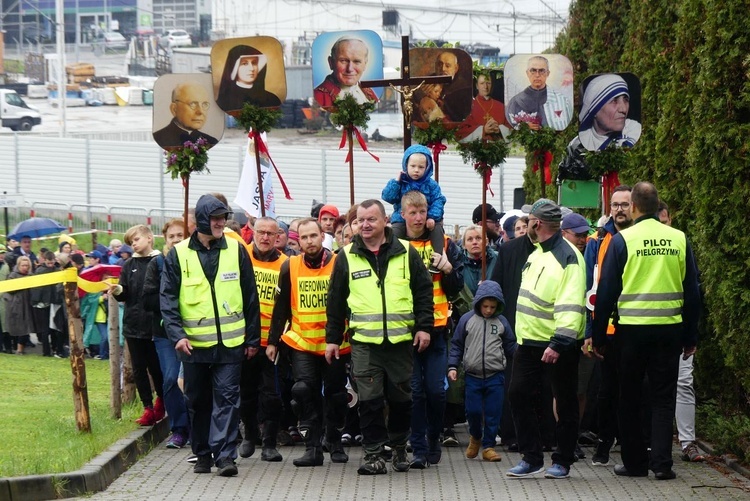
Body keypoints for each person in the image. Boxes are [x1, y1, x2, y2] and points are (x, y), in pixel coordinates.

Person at [592, 182, 700, 480]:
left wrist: (599, 337)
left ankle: (636, 464)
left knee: (629, 397)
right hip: (669, 332)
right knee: (663, 399)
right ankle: (663, 464)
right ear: (658, 206)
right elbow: (692, 292)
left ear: (635, 207)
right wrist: (691, 337)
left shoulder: (623, 240)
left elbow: (606, 292)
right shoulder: (679, 239)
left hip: (631, 333)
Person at [325, 199, 434, 475]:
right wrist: (333, 339)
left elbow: (423, 292)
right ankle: (373, 454)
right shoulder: (346, 256)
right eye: (360, 220)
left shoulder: (406, 252)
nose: (364, 225)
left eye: (371, 219)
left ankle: (398, 448)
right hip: (365, 344)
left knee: (401, 402)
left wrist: (424, 327)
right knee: (370, 401)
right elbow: (335, 301)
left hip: (400, 344)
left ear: (385, 221)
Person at [161, 194, 261, 477]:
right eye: (216, 218)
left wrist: (252, 338)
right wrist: (177, 335)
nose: (221, 223)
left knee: (228, 399)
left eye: (223, 218)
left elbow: (249, 296)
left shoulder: (236, 250)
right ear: (203, 219)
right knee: (198, 400)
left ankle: (225, 456)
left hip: (231, 344)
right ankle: (202, 453)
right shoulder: (178, 254)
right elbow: (167, 299)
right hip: (193, 345)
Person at [506, 199, 586, 479]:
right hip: (528, 342)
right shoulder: (537, 253)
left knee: (564, 403)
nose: (527, 225)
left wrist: (559, 343)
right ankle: (532, 457)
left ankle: (562, 460)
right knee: (518, 395)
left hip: (557, 344)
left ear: (537, 224)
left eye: (529, 221)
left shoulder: (569, 257)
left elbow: (571, 304)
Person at [267, 218, 350, 467]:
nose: (309, 241)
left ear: (322, 236)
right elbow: (280, 309)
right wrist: (272, 341)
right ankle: (312, 447)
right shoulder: (290, 266)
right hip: (302, 342)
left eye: (313, 236)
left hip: (334, 343)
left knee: (336, 395)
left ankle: (334, 440)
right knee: (304, 392)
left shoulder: (339, 263)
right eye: (304, 237)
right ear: (298, 240)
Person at [400, 191, 464, 469]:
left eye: (422, 212)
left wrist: (449, 269)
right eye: (412, 212)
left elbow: (457, 286)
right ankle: (418, 446)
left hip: (438, 330)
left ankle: (434, 437)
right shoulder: (396, 244)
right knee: (415, 392)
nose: (417, 217)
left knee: (436, 392)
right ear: (402, 215)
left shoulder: (445, 243)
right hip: (407, 330)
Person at [584, 186, 632, 466]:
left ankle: (632, 442)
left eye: (624, 204)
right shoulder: (597, 240)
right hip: (608, 329)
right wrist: (591, 332)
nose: (619, 209)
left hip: (634, 326)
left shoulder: (636, 237)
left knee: (634, 389)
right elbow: (591, 291)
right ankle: (604, 442)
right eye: (615, 205)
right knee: (606, 390)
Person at [656, 201, 704, 463]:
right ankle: (653, 444)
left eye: (665, 222)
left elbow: (692, 290)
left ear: (670, 220)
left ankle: (688, 442)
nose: (663, 227)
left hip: (678, 328)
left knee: (683, 383)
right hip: (650, 330)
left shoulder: (680, 243)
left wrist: (690, 334)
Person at [448, 280, 517, 462]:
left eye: (492, 307)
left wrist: (520, 357)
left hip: (496, 375)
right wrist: (453, 366)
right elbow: (457, 345)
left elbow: (510, 345)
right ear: (479, 303)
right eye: (485, 306)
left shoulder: (502, 322)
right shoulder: (467, 320)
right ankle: (475, 436)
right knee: (473, 411)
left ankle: (488, 446)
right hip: (473, 375)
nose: (488, 310)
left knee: (494, 412)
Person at [240, 216, 288, 462]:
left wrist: (275, 340)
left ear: (278, 235)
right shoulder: (241, 256)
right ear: (253, 232)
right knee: (246, 393)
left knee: (271, 395)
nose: (266, 237)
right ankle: (249, 435)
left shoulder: (285, 264)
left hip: (273, 341)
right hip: (245, 338)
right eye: (261, 232)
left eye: (271, 233)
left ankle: (269, 442)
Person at [143, 218, 190, 449]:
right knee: (171, 379)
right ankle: (179, 429)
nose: (175, 240)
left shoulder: (194, 260)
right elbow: (147, 298)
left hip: (194, 330)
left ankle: (198, 426)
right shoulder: (158, 264)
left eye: (179, 235)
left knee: (193, 381)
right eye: (171, 236)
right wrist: (169, 298)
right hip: (164, 334)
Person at [111, 225, 165, 426]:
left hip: (153, 325)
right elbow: (125, 294)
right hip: (132, 325)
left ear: (150, 238)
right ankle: (147, 407)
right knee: (138, 369)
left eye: (136, 239)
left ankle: (162, 399)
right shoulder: (128, 265)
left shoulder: (160, 261)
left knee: (157, 367)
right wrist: (117, 290)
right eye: (130, 241)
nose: (133, 244)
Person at [382, 144, 447, 272]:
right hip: (402, 217)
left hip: (427, 216)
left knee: (437, 229)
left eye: (421, 167)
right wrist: (396, 182)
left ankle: (437, 258)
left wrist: (432, 217)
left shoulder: (431, 184)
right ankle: (393, 258)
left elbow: (439, 200)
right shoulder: (401, 182)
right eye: (413, 166)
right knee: (395, 232)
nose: (416, 170)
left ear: (427, 168)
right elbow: (388, 197)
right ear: (406, 165)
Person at [506, 56, 573, 131]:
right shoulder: (515, 102)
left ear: (548, 73)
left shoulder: (562, 101)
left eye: (542, 71)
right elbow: (510, 129)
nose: (537, 75)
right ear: (527, 73)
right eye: (533, 70)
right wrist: (524, 127)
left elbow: (569, 127)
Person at [578, 73, 642, 151]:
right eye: (614, 101)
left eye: (625, 100)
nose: (624, 109)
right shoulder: (580, 144)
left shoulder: (633, 130)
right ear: (594, 110)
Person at [314, 37, 378, 108]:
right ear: (331, 62)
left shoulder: (369, 93)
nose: (350, 69)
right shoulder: (318, 96)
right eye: (343, 61)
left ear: (365, 64)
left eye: (357, 61)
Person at [153, 82, 219, 148]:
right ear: (174, 109)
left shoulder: (211, 141)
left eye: (205, 104)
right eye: (192, 104)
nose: (200, 112)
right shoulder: (158, 139)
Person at [216, 45, 282, 112]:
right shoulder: (224, 101)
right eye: (244, 63)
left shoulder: (272, 100)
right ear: (234, 67)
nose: (251, 68)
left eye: (254, 63)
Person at [457, 72, 512, 142]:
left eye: (488, 83)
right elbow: (461, 132)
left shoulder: (501, 106)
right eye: (482, 83)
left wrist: (500, 129)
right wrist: (483, 130)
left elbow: (511, 129)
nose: (485, 87)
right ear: (477, 86)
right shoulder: (468, 107)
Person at [30, 251, 57, 357]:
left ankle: (54, 349)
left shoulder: (56, 270)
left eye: (52, 262)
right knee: (45, 329)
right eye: (49, 262)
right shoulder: (40, 271)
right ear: (44, 260)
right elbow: (36, 289)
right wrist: (36, 302)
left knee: (54, 327)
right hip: (42, 304)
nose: (51, 265)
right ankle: (46, 351)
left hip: (53, 302)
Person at [5, 256, 34, 355]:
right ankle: (18, 349)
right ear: (18, 265)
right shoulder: (13, 275)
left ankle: (20, 348)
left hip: (28, 304)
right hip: (16, 304)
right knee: (18, 327)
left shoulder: (31, 276)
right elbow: (9, 289)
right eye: (23, 265)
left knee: (26, 327)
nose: (25, 267)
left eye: (26, 265)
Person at [433, 51, 472, 122]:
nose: (443, 69)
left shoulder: (464, 88)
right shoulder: (428, 81)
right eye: (439, 65)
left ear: (456, 68)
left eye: (447, 66)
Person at [461, 224, 498, 295]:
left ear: (486, 241)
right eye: (470, 239)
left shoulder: (497, 259)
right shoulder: (458, 262)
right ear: (464, 245)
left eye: (478, 238)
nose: (474, 242)